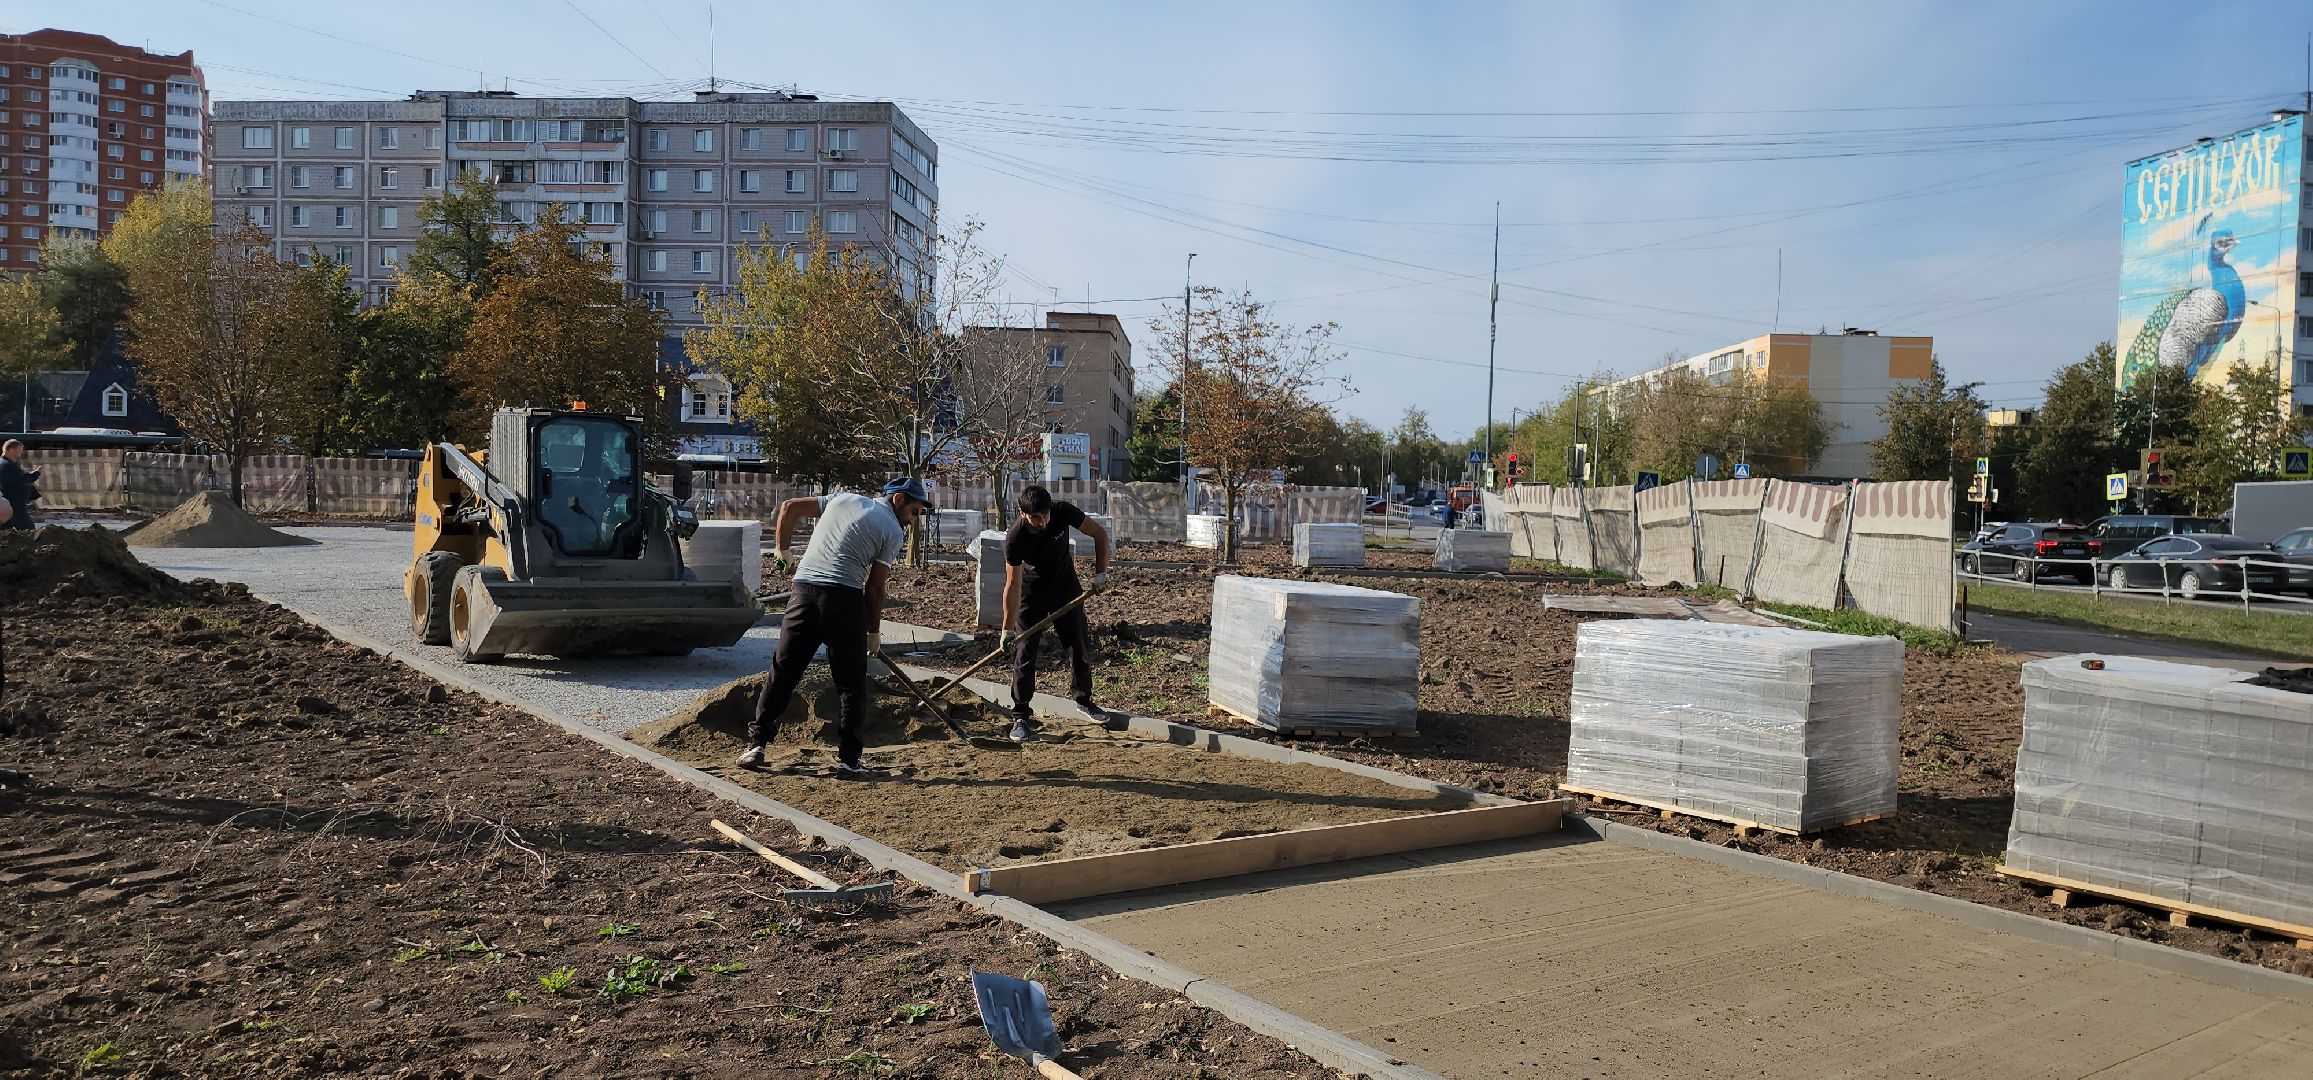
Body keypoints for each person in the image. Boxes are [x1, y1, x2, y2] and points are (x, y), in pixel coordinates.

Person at [737, 477, 932, 776]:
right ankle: (849, 761)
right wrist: (873, 631)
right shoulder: (893, 530)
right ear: (898, 499)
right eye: (914, 511)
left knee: (783, 671)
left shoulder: (842, 498)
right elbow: (875, 588)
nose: (913, 520)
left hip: (802, 593)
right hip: (843, 599)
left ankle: (756, 744)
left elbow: (789, 507)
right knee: (851, 683)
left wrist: (782, 550)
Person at [1002, 485, 1112, 739]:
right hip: (1032, 592)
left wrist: (1101, 573)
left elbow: (1099, 534)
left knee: (1078, 645)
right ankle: (1020, 715)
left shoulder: (1062, 511)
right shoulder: (1015, 537)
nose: (1043, 521)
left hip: (1065, 587)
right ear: (1022, 514)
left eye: (1045, 515)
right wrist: (1006, 629)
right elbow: (1012, 584)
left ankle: (1084, 700)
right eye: (1036, 517)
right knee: (1025, 651)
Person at [0, 440, 39, 531]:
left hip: (13, 502)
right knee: (28, 529)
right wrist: (35, 474)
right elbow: (20, 480)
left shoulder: (9, 463)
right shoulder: (6, 465)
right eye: (20, 450)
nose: (22, 452)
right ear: (11, 450)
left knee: (7, 528)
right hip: (14, 503)